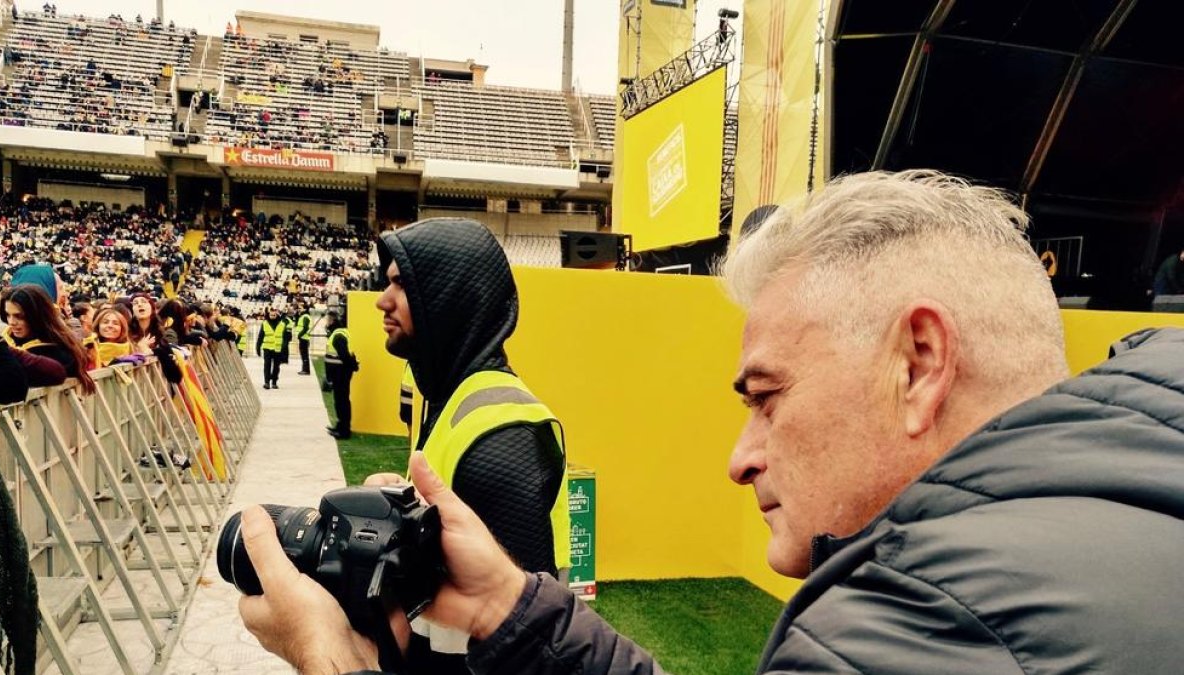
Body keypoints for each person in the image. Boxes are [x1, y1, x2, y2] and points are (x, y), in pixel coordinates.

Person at [239, 171, 1184, 674]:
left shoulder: (921, 630)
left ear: (920, 364)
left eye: (766, 397)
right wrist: (509, 614)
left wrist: (328, 655)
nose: (741, 458)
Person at [351, 218, 569, 674]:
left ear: (445, 298)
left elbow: (525, 644)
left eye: (400, 284)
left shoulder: (502, 438)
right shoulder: (451, 396)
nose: (381, 300)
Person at [0, 284, 96, 393]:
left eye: (19, 316)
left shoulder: (59, 352)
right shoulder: (3, 339)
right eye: (8, 315)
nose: (11, 322)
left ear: (37, 315)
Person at [322, 310, 355, 440]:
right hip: (339, 374)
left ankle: (344, 431)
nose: (326, 322)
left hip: (341, 375)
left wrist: (351, 366)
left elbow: (344, 356)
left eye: (327, 320)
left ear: (333, 321)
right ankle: (340, 426)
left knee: (342, 402)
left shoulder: (338, 335)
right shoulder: (337, 333)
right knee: (340, 402)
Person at [256, 306, 288, 389]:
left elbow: (285, 338)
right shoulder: (265, 324)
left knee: (276, 367)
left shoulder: (282, 324)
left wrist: (283, 348)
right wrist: (258, 347)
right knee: (267, 366)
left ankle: (274, 382)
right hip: (267, 348)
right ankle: (266, 382)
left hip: (278, 349)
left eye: (274, 315)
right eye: (271, 315)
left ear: (277, 315)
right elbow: (260, 336)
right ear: (268, 315)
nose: (272, 317)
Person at [294, 303, 313, 375]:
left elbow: (305, 327)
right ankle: (304, 369)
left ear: (305, 309)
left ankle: (306, 370)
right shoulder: (303, 316)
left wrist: (299, 335)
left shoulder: (305, 317)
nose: (299, 309)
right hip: (303, 338)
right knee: (304, 355)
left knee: (304, 355)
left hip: (303, 338)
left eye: (300, 308)